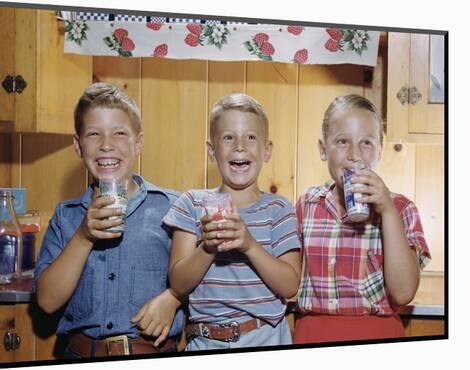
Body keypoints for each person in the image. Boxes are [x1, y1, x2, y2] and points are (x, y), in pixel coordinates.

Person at [34, 82, 184, 358]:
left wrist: (174, 297)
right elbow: (47, 301)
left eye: (119, 133)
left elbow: (201, 279)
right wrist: (83, 236)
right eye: (94, 134)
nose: (106, 145)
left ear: (138, 143)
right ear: (78, 146)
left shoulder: (173, 208)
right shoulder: (66, 217)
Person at [163, 93, 301, 350]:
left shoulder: (279, 209)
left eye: (251, 137)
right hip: (204, 341)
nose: (240, 146)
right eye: (228, 137)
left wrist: (250, 245)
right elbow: (178, 283)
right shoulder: (191, 203)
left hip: (266, 337)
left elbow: (290, 285)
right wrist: (208, 247)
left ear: (267, 151)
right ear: (211, 151)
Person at [293, 94, 431, 344]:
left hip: (377, 332)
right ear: (323, 150)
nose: (355, 154)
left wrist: (386, 210)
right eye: (342, 141)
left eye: (366, 143)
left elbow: (403, 293)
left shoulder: (402, 208)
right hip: (312, 332)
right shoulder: (307, 204)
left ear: (380, 149)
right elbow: (288, 279)